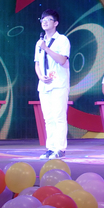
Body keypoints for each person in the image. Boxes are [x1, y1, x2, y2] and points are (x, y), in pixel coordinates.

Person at [34, 9, 70, 159]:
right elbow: (37, 63)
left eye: (48, 19)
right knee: (48, 118)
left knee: (58, 116)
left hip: (59, 83)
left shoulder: (62, 40)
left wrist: (46, 48)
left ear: (55, 23)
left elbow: (62, 60)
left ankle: (60, 149)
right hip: (44, 85)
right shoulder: (39, 42)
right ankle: (50, 148)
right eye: (42, 19)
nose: (44, 22)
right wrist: (40, 76)